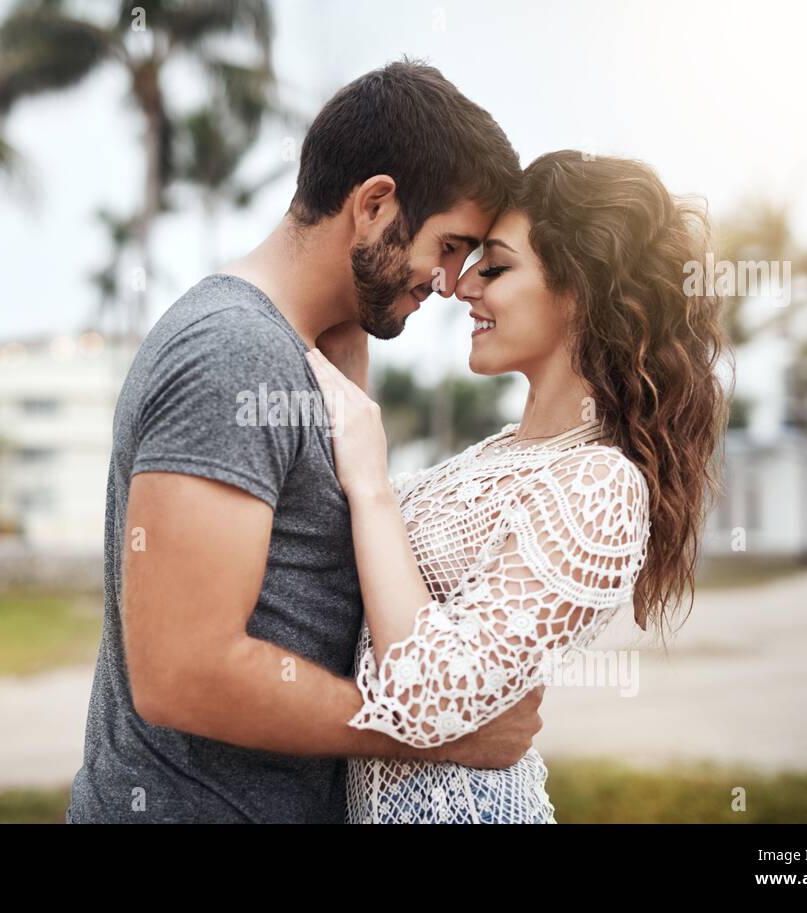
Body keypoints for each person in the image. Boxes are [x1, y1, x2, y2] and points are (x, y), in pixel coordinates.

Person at [66, 60, 538, 823]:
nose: (451, 282)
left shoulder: (298, 352)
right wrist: (431, 734)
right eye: (450, 246)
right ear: (376, 202)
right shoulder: (235, 353)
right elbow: (183, 672)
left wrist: (354, 329)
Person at [306, 150, 727, 822]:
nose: (463, 285)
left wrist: (372, 481)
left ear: (580, 292)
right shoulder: (501, 454)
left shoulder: (600, 486)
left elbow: (430, 695)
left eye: (495, 267)